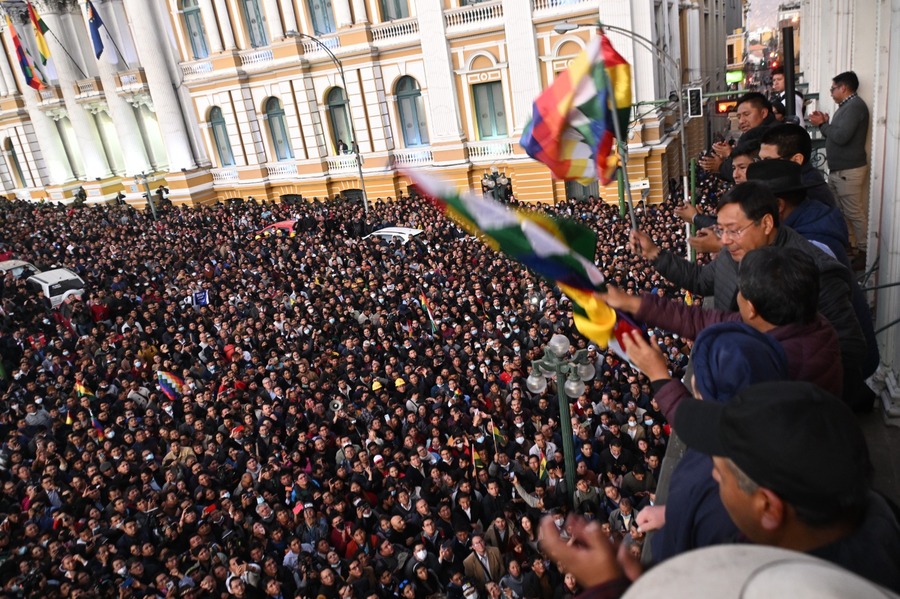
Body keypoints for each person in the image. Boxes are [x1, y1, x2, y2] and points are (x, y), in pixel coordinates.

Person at [629, 182, 866, 408]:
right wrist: (654, 253)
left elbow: (850, 353)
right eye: (720, 230)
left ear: (765, 223)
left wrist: (785, 398)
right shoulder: (736, 250)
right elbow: (700, 281)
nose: (723, 240)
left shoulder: (817, 271)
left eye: (733, 230)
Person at [675, 381, 900, 592]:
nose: (713, 476)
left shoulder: (766, 589)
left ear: (768, 507)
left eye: (721, 475)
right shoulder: (878, 515)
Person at [808, 71, 870, 258]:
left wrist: (822, 125)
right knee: (841, 210)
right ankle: (850, 246)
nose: (831, 93)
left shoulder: (854, 107)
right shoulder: (846, 106)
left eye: (833, 89)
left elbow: (842, 137)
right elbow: (838, 133)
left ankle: (863, 251)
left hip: (848, 170)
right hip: (840, 170)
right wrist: (826, 123)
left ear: (843, 88)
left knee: (853, 212)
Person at [698, 92, 776, 182]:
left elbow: (754, 172)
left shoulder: (770, 136)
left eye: (746, 114)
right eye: (739, 117)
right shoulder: (753, 135)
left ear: (763, 113)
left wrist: (722, 164)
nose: (742, 121)